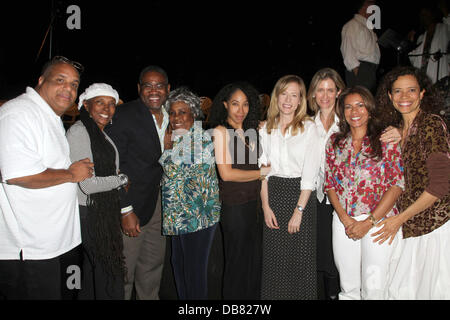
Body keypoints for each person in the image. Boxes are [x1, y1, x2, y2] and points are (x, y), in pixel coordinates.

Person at [0, 56, 94, 300]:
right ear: (41, 81)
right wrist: (71, 174)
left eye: (74, 84)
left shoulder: (48, 116)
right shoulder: (19, 113)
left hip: (52, 244)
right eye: (60, 80)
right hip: (28, 250)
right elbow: (19, 174)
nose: (69, 89)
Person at [373, 66, 450, 299]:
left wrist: (399, 219)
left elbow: (441, 185)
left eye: (411, 90)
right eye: (398, 91)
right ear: (389, 96)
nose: (404, 97)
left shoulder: (431, 125)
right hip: (413, 224)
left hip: (434, 225)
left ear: (422, 94)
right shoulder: (401, 130)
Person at [324, 86, 405, 300]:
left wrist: (368, 222)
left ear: (369, 108)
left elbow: (396, 185)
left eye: (360, 105)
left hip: (379, 222)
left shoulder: (385, 139)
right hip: (344, 220)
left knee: (375, 287)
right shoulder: (335, 142)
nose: (354, 111)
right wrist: (344, 219)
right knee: (348, 288)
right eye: (348, 107)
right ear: (342, 112)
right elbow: (330, 183)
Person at [105, 65, 169, 300]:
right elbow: (111, 166)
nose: (154, 90)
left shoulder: (173, 116)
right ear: (139, 89)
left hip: (160, 204)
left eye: (159, 85)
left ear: (167, 89)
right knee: (124, 272)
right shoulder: (124, 115)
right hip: (131, 205)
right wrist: (125, 208)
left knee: (152, 269)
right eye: (148, 85)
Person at [259, 75, 320, 300]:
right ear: (276, 96)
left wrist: (299, 211)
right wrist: (265, 206)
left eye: (294, 95)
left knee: (299, 260)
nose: (288, 99)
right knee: (274, 262)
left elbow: (310, 173)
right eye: (284, 93)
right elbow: (263, 173)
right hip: (273, 195)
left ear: (300, 100)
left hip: (300, 196)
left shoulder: (308, 127)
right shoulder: (266, 128)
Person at [66, 83, 129, 300]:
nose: (107, 108)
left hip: (103, 211)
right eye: (100, 102)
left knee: (97, 274)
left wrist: (115, 179)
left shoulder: (103, 137)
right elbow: (88, 184)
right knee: (108, 274)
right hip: (90, 213)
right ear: (86, 105)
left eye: (111, 104)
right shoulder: (79, 132)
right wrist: (121, 179)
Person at [208, 82, 269, 300]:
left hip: (254, 206)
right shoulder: (221, 131)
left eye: (245, 104)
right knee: (236, 264)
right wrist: (261, 173)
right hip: (234, 207)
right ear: (225, 105)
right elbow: (227, 174)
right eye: (235, 104)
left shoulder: (252, 130)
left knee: (253, 263)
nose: (240, 110)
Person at [159, 87, 221, 300]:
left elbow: (174, 171)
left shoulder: (199, 138)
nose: (176, 117)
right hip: (180, 217)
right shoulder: (179, 138)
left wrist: (166, 149)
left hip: (197, 218)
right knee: (179, 265)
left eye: (182, 112)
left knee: (194, 272)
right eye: (173, 112)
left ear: (193, 114)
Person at [307, 68, 345, 300]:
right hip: (315, 198)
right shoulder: (306, 125)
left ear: (338, 92)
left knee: (337, 256)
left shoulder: (348, 123)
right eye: (320, 90)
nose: (325, 95)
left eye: (330, 90)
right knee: (319, 253)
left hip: (342, 199)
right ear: (313, 94)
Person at [340, 0, 381, 93]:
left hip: (370, 70)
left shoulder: (369, 27)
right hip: (361, 69)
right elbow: (347, 51)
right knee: (360, 99)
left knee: (368, 102)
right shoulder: (352, 25)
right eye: (372, 5)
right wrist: (357, 72)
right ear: (364, 7)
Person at [408, 5, 450, 84]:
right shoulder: (421, 37)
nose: (424, 18)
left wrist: (445, 12)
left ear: (432, 15)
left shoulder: (443, 29)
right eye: (422, 15)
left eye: (426, 14)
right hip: (423, 78)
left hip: (440, 74)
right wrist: (410, 43)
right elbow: (414, 60)